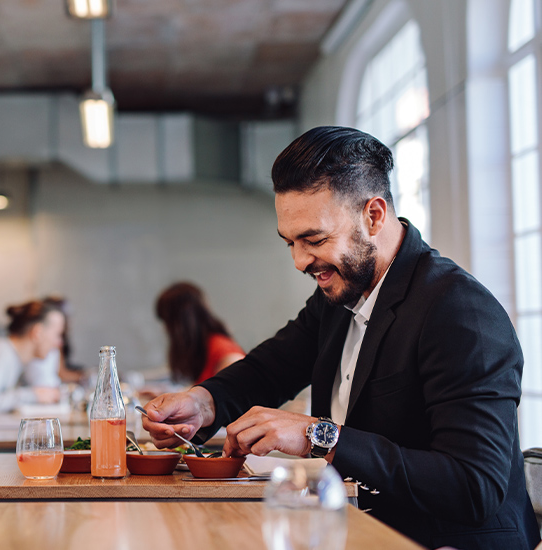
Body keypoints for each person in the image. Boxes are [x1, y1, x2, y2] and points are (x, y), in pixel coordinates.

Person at [141, 127, 541, 550]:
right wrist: (202, 404)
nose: (299, 261)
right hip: (358, 533)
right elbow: (269, 369)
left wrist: (319, 436)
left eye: (314, 240)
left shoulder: (461, 313)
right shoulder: (339, 295)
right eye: (290, 243)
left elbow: (473, 485)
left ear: (373, 215)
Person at [155, 282, 245, 385]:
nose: (164, 329)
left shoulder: (223, 351)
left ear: (180, 322)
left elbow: (231, 394)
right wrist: (166, 394)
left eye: (167, 322)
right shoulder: (205, 348)